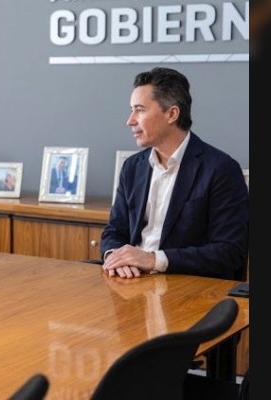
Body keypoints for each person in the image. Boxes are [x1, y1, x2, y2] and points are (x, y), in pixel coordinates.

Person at [101, 67, 249, 280]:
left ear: (172, 114)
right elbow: (114, 231)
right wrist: (115, 257)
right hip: (130, 281)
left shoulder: (221, 169)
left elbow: (229, 252)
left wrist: (154, 260)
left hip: (184, 286)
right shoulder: (132, 167)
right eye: (131, 110)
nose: (130, 120)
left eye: (139, 110)